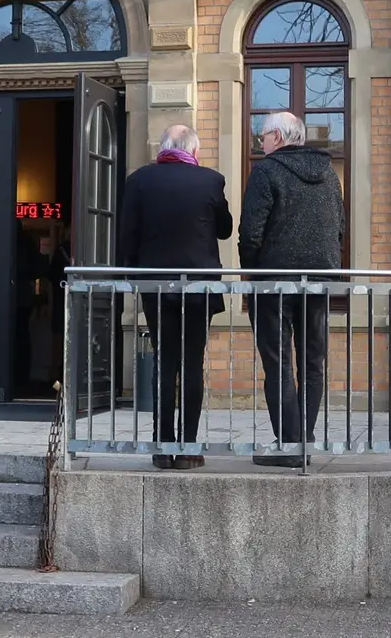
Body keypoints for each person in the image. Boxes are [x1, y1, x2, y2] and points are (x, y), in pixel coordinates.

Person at [118, 124, 232, 470]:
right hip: (198, 285)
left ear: (162, 148)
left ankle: (162, 445)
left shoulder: (139, 180)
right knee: (192, 363)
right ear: (193, 151)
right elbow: (225, 229)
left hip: (155, 286)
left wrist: (132, 277)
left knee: (164, 362)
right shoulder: (211, 180)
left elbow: (128, 235)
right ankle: (188, 448)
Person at [238, 111, 344, 467]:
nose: (260, 141)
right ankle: (304, 441)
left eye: (264, 135)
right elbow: (340, 227)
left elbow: (250, 233)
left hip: (274, 281)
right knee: (313, 362)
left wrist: (252, 273)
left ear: (279, 138)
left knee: (278, 363)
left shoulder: (266, 171)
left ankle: (288, 445)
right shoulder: (329, 174)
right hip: (319, 279)